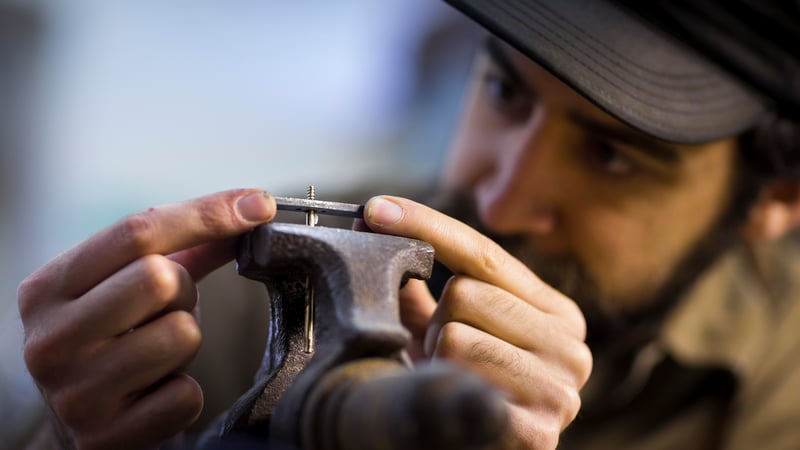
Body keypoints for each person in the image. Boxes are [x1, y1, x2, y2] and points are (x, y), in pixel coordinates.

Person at [17, 0, 800, 449]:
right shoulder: (233, 296)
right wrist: (65, 436)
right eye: (504, 91)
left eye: (612, 157)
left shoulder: (782, 394)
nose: (499, 200)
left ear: (777, 203)